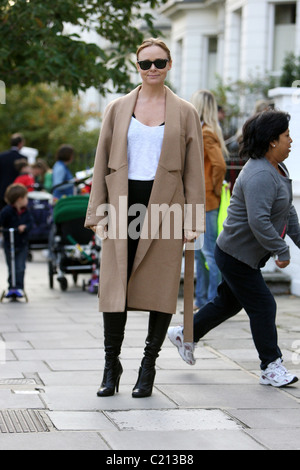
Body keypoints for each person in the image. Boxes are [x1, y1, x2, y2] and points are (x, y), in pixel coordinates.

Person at [85, 37, 205, 398]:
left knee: (161, 286)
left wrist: (192, 221)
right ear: (136, 66)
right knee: (113, 288)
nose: (152, 68)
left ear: (170, 65)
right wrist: (98, 213)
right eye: (145, 63)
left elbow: (194, 172)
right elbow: (101, 158)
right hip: (122, 205)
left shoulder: (185, 111)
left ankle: (148, 365)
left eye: (160, 62)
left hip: (167, 207)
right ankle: (111, 364)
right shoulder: (118, 108)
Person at [168, 109, 300, 388]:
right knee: (264, 305)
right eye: (286, 135)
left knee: (227, 303)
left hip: (241, 255)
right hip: (234, 255)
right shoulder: (260, 175)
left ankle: (185, 334)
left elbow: (286, 212)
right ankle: (271, 366)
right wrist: (282, 250)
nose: (291, 141)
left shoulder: (278, 169)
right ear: (272, 140)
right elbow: (259, 222)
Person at [191, 90, 227, 309]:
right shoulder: (204, 131)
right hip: (198, 201)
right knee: (198, 253)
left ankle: (215, 300)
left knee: (208, 253)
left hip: (205, 201)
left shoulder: (206, 133)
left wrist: (213, 190)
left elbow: (220, 165)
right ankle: (201, 298)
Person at [0, 184, 33, 297]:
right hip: (9, 243)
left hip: (22, 243)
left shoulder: (26, 212)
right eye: (25, 198)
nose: (27, 200)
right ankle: (12, 286)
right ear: (19, 199)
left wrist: (25, 227)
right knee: (12, 266)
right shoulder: (7, 211)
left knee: (20, 267)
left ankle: (19, 287)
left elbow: (30, 224)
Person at [0, 133, 26, 210]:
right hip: (16, 192)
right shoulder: (22, 158)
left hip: (1, 190)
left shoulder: (2, 156)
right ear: (20, 143)